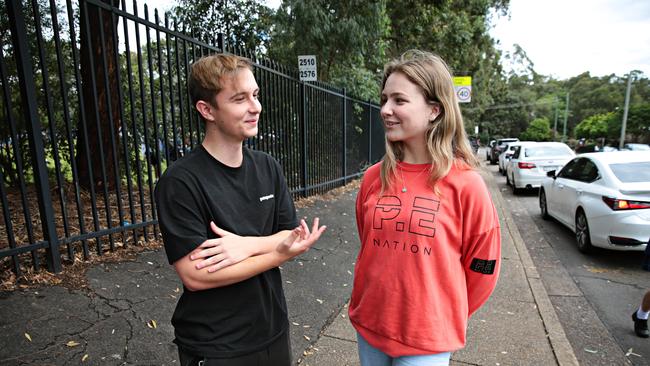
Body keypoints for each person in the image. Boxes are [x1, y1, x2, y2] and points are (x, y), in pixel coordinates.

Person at [154, 54, 326, 366]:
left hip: (273, 330)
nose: (255, 107)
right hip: (217, 344)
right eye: (239, 99)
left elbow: (290, 232)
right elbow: (196, 275)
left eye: (255, 95)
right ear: (207, 109)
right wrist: (279, 253)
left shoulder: (267, 167)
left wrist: (245, 245)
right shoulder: (180, 182)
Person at [349, 50, 501, 366]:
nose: (386, 110)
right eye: (384, 99)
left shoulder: (466, 184)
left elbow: (484, 267)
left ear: (434, 110)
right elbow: (369, 244)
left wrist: (441, 311)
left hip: (428, 338)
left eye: (399, 101)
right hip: (371, 326)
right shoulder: (373, 178)